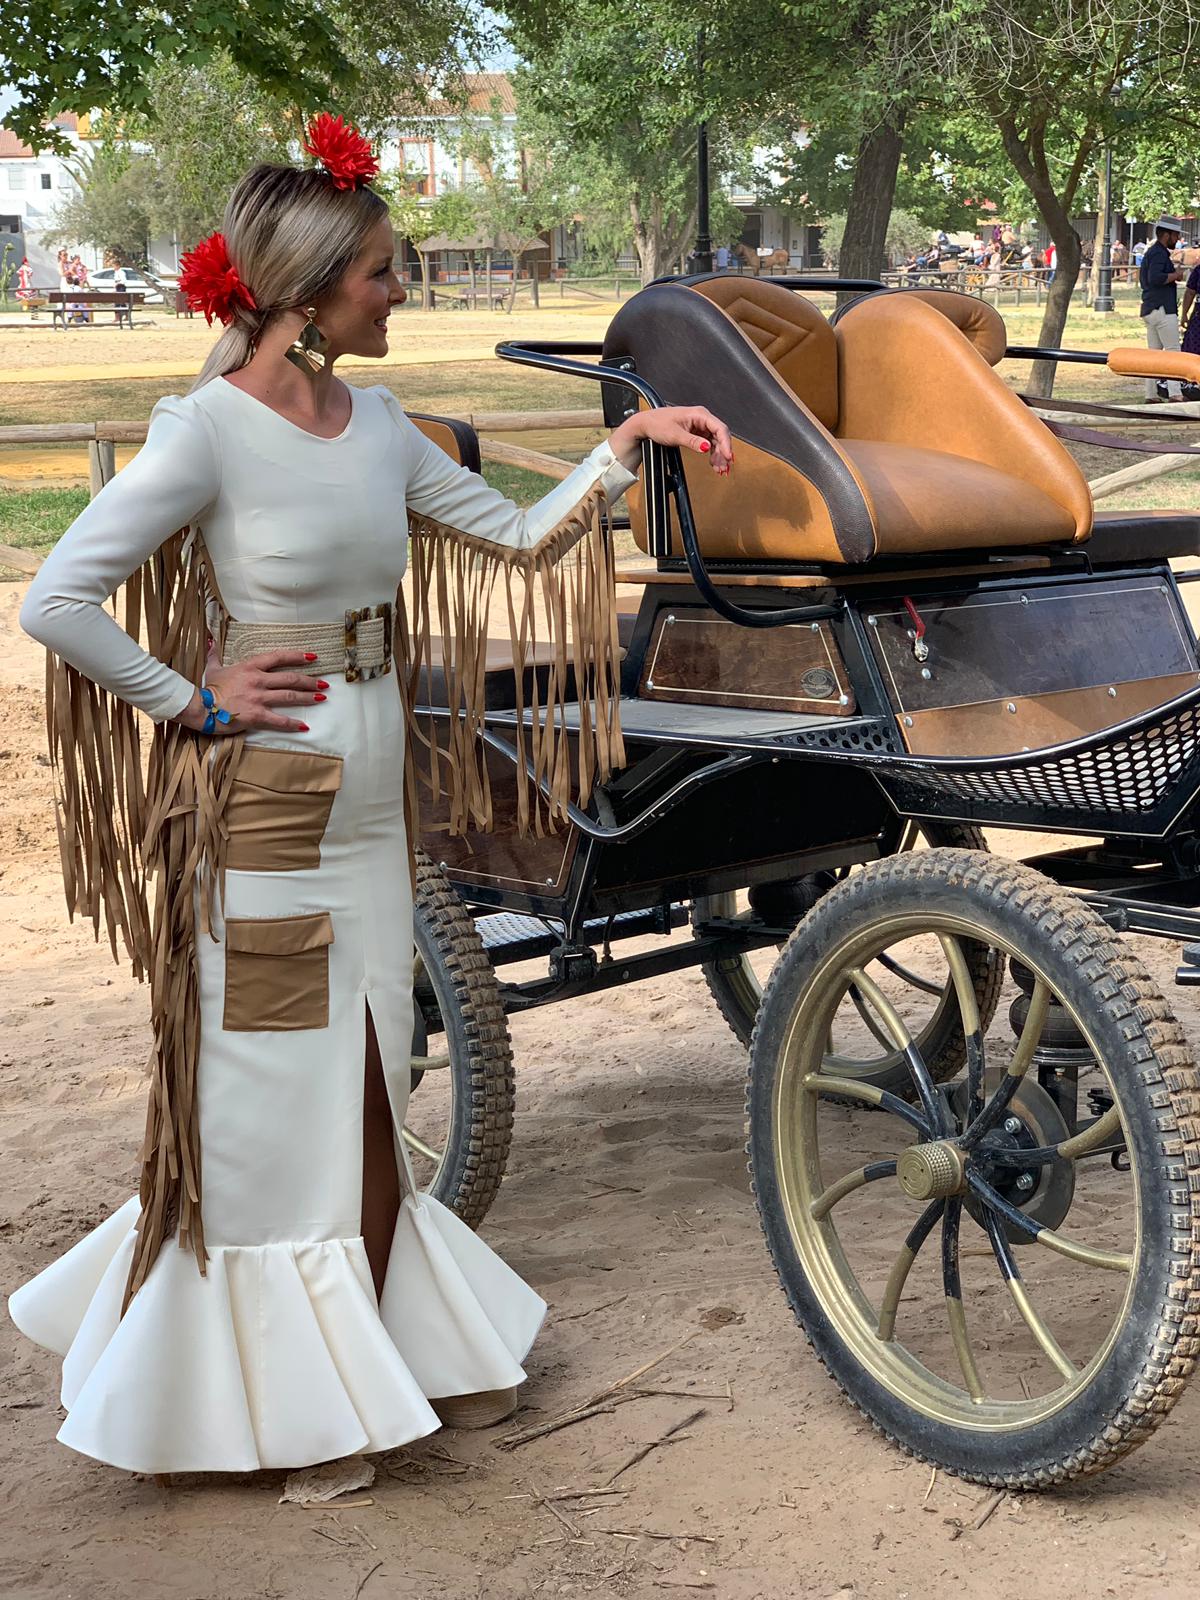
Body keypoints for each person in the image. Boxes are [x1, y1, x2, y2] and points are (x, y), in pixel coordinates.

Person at [9, 112, 733, 1477]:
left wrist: (629, 441)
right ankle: (281, 1404)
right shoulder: (206, 433)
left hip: (371, 787)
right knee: (273, 1086)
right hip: (268, 797)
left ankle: (386, 1352)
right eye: (383, 272)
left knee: (372, 1068)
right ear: (305, 296)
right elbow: (57, 601)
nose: (400, 291)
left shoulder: (380, 425)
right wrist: (195, 699)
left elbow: (517, 538)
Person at [1140, 214, 1186, 401]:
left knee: (1154, 354)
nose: (1177, 239)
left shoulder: (1152, 252)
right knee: (1173, 350)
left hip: (1150, 307)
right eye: (1175, 235)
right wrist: (1176, 275)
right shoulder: (1159, 253)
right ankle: (1175, 393)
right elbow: (1156, 278)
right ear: (1167, 235)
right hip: (1163, 308)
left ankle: (1151, 393)